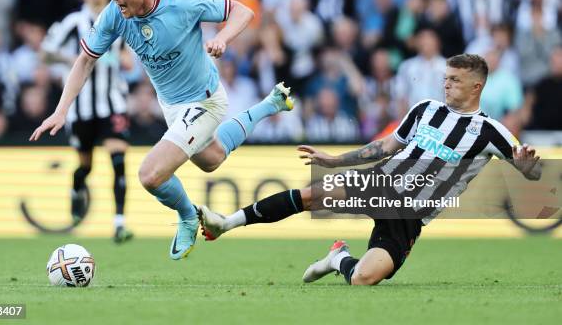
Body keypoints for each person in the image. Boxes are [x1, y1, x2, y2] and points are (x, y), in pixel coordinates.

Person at [30, 0, 294, 260]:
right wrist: (61, 110)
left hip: (204, 99)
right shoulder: (114, 14)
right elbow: (86, 59)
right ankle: (269, 105)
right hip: (171, 104)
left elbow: (243, 12)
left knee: (151, 174)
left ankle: (188, 216)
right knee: (212, 159)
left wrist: (222, 38)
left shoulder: (181, 0)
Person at [199, 54, 542, 285]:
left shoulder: (490, 131)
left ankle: (338, 259)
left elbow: (532, 172)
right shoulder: (425, 109)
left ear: (476, 86)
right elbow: (385, 146)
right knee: (311, 196)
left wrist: (527, 166)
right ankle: (226, 222)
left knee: (363, 278)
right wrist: (334, 160)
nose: (446, 84)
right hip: (380, 181)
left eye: (454, 79)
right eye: (446, 78)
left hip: (409, 217)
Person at [40, 0, 133, 243]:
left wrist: (125, 60)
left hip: (113, 103)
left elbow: (128, 56)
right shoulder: (74, 22)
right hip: (81, 107)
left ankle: (119, 223)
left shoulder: (122, 18)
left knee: (118, 160)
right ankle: (76, 189)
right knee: (86, 166)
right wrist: (75, 59)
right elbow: (45, 52)